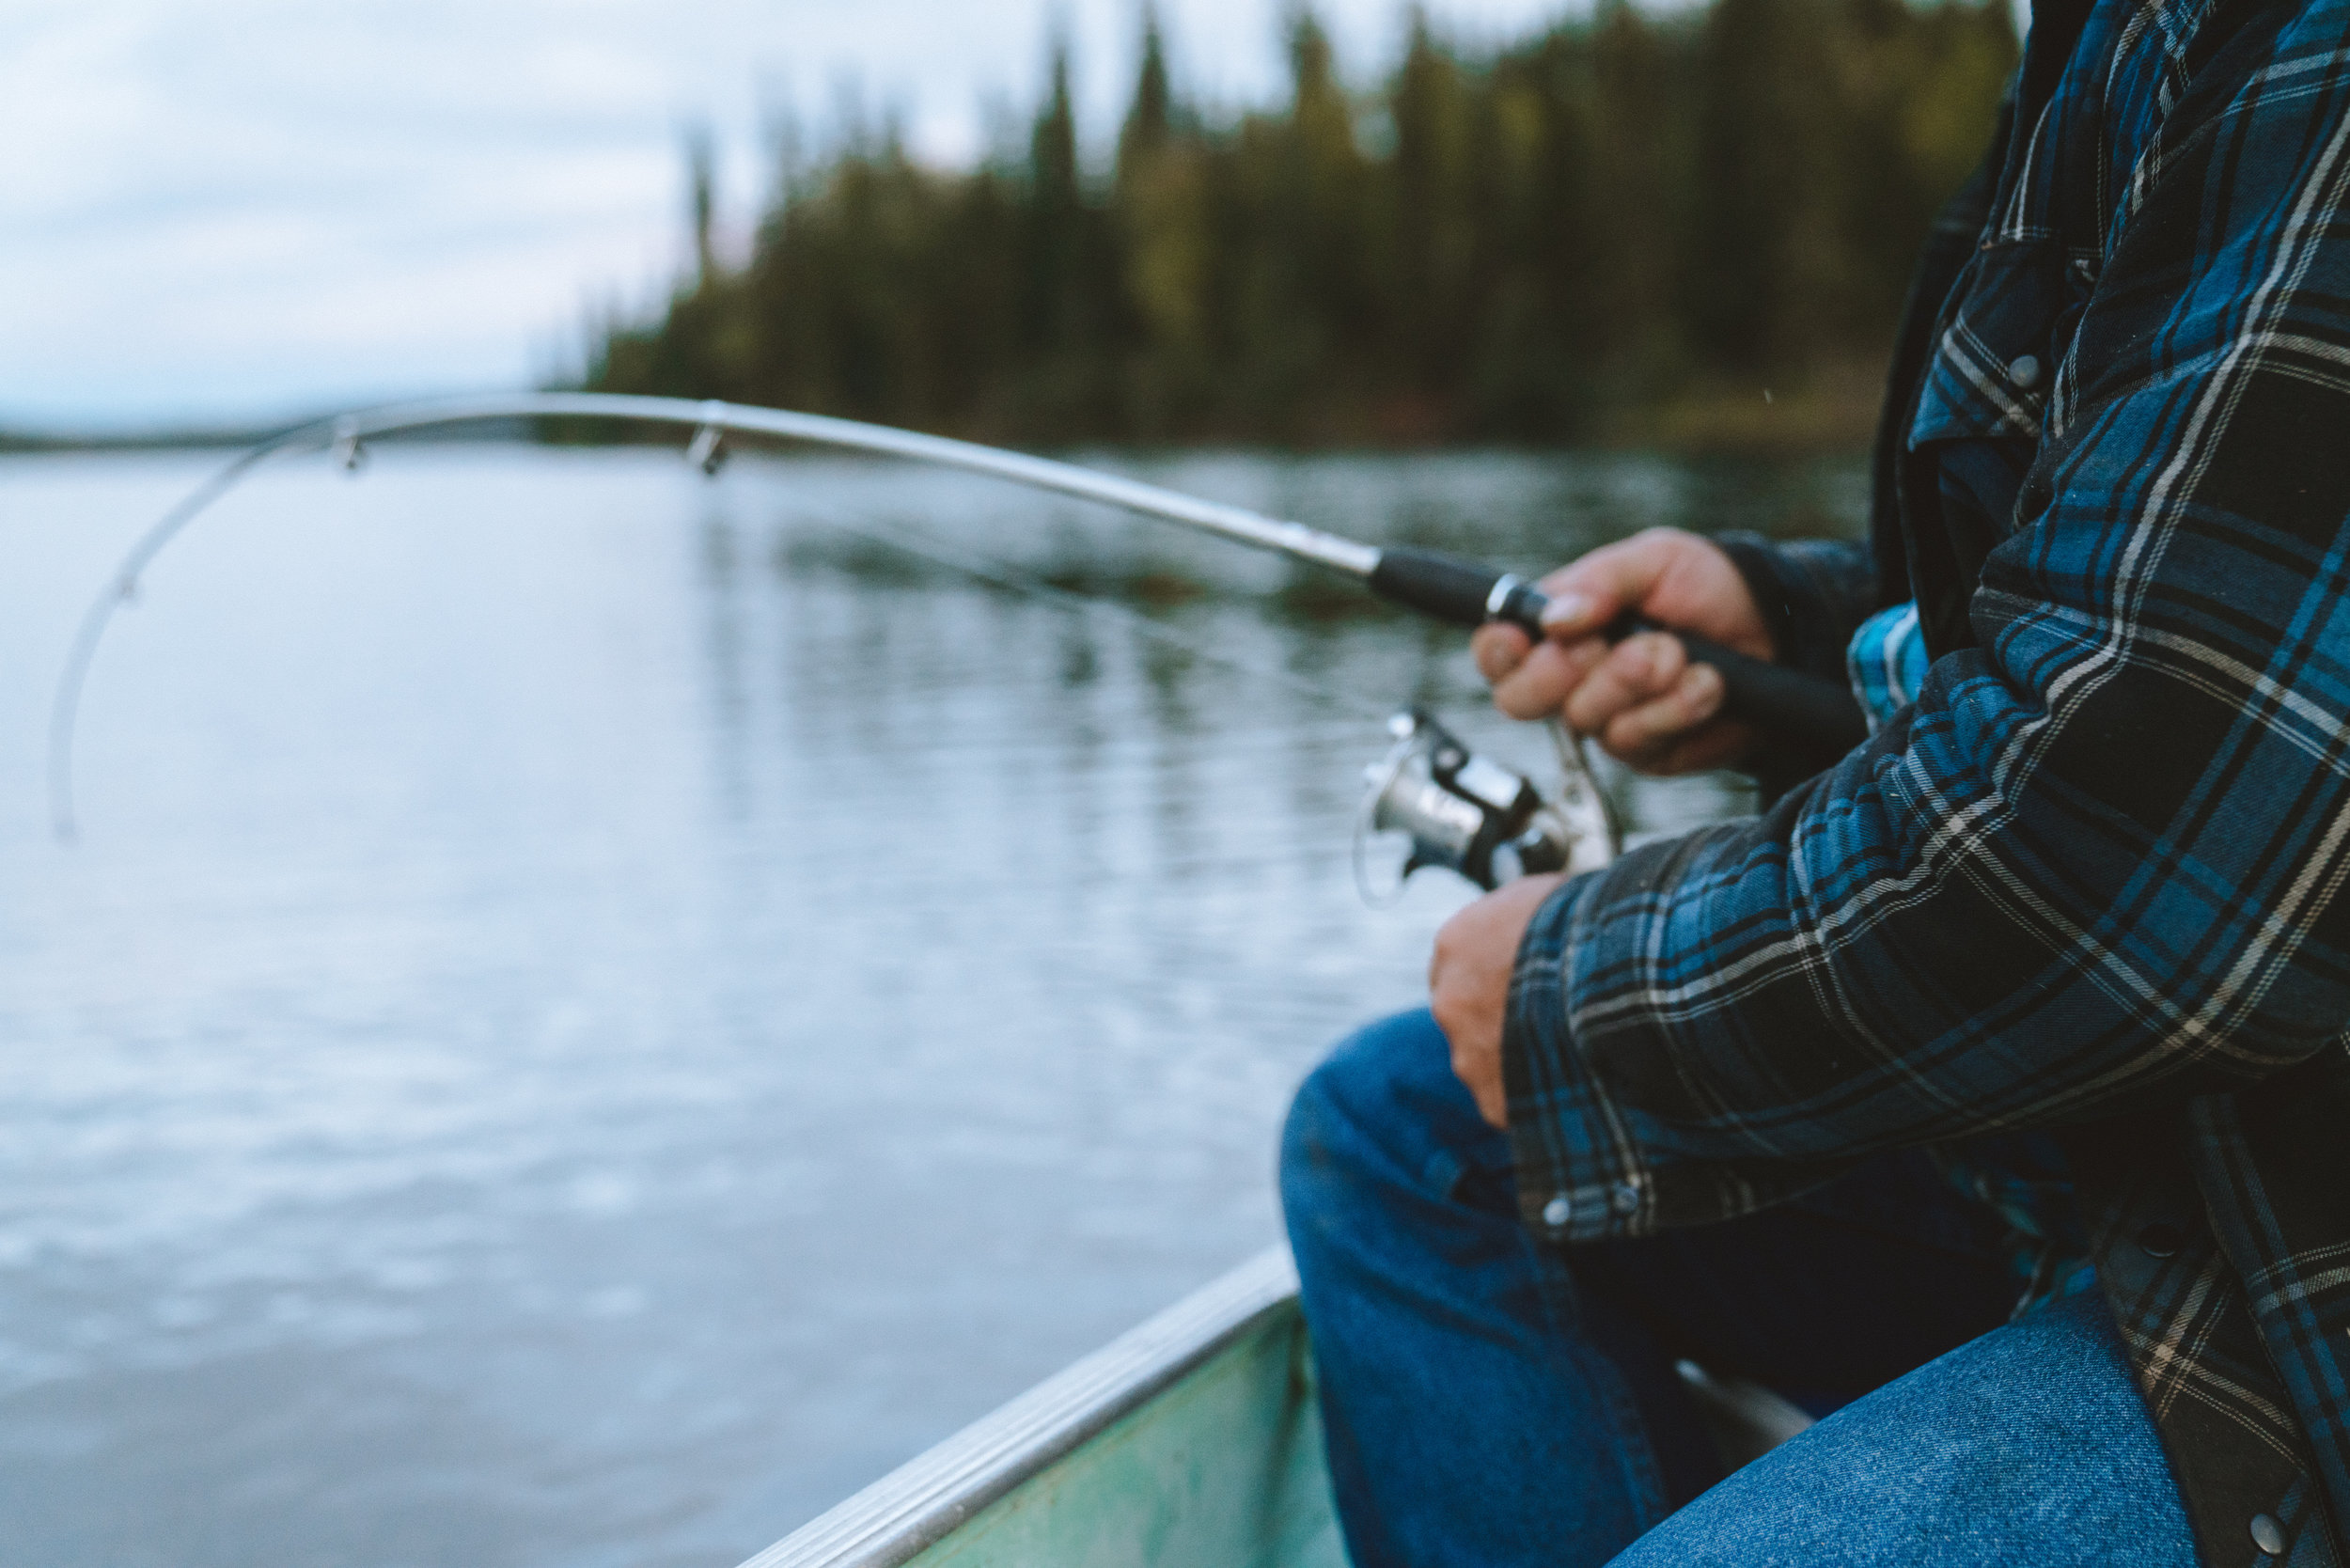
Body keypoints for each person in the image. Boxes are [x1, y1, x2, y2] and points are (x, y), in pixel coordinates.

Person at [1278, 0, 2350, 1560]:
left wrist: (1577, 994)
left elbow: (2135, 867)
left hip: (2291, 1262)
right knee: (1406, 1137)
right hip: (2179, 1148)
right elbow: (2197, 598)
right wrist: (1787, 626)